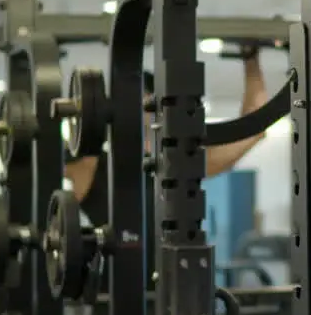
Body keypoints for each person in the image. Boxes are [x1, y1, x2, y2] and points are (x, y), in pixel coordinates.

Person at [65, 51, 270, 203]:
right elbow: (42, 150)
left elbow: (254, 127)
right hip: (118, 261)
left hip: (173, 259)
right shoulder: (90, 167)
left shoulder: (181, 163)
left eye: (144, 100)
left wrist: (250, 59)